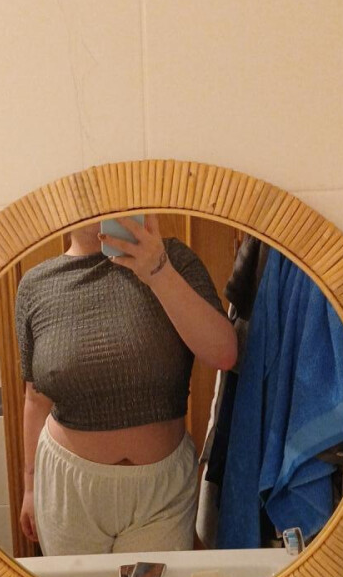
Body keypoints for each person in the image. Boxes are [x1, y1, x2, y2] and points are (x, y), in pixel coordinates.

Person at [14, 213, 237, 555]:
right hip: (68, 488)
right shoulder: (36, 285)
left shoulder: (173, 260)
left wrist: (158, 271)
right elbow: (35, 397)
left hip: (161, 495)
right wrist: (30, 487)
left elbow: (224, 354)